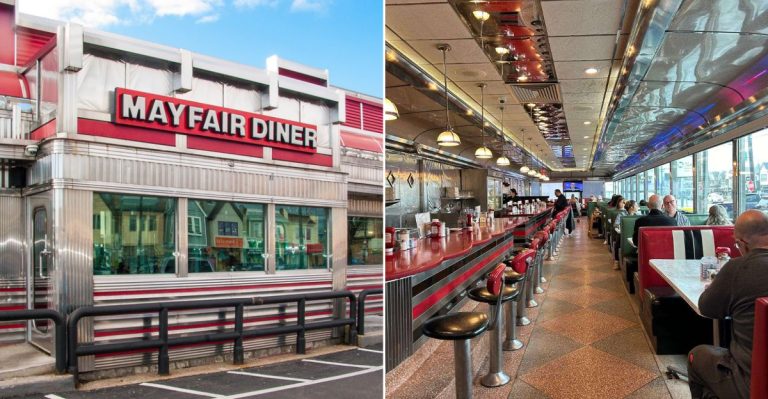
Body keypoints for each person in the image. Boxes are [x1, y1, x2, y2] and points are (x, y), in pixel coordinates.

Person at [688, 210, 768, 399]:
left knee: (697, 355)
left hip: (752, 382)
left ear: (743, 244)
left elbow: (707, 308)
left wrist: (714, 288)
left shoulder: (737, 268)